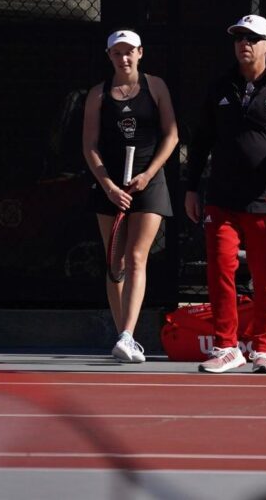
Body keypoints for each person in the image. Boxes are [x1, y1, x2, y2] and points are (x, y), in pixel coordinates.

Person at [184, 14, 266, 375]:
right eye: (239, 38)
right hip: (222, 200)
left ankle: (262, 348)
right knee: (220, 268)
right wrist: (192, 187)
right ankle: (226, 347)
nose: (244, 44)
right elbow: (202, 140)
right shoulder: (220, 87)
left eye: (253, 39)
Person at [82, 30, 178, 363]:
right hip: (111, 187)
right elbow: (89, 145)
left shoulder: (157, 87)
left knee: (138, 257)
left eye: (129, 52)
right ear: (109, 56)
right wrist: (108, 185)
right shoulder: (98, 95)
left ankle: (126, 335)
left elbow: (172, 135)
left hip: (148, 184)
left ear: (140, 52)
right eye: (117, 53)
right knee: (116, 262)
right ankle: (124, 334)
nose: (123, 58)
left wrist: (148, 175)